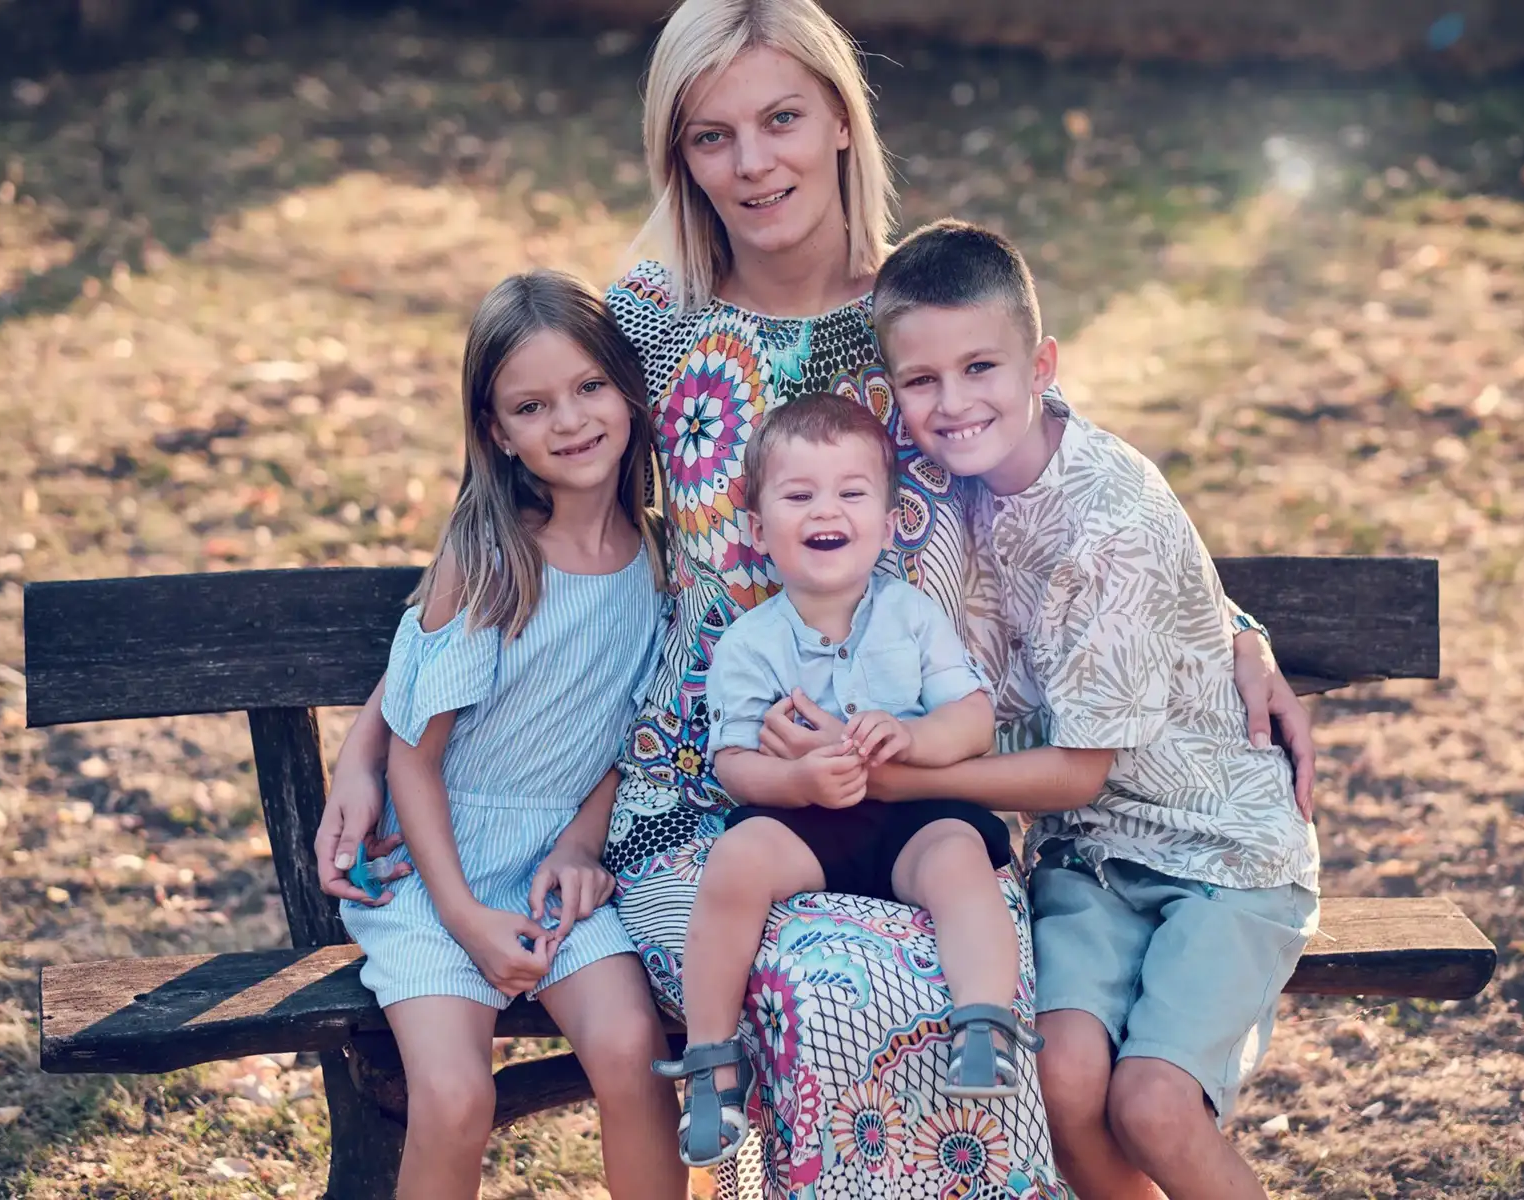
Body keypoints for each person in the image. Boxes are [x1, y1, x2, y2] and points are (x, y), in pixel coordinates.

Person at [314, 2, 1316, 1194]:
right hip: (705, 797)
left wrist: (1236, 630)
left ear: (843, 119)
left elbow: (1074, 486)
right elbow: (509, 525)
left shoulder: (923, 320)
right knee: (831, 991)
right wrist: (376, 734)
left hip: (921, 790)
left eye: (783, 118)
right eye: (710, 136)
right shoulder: (651, 320)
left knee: (976, 1008)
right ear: (676, 158)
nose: (753, 164)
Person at [866, 219, 1322, 1200]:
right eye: (921, 381)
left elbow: (1079, 767)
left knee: (1150, 1102)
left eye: (981, 367)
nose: (952, 404)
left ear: (1043, 365)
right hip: (1085, 852)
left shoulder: (1109, 516)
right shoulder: (947, 491)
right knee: (1062, 1073)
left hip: (1218, 847)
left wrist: (903, 775)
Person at [337, 271, 684, 1200]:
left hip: (556, 869)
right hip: (434, 873)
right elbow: (416, 761)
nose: (569, 421)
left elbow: (640, 734)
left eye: (589, 387)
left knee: (634, 1055)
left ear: (630, 389)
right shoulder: (489, 557)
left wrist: (581, 842)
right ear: (496, 430)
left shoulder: (661, 559)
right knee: (454, 1099)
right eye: (532, 405)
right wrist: (462, 915)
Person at [659, 393, 1032, 1167]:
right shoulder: (749, 644)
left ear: (891, 520)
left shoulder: (913, 616)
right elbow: (734, 765)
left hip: (913, 818)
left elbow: (972, 719)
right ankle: (711, 1064)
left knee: (961, 862)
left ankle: (985, 1023)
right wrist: (797, 780)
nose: (826, 510)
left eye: (851, 493)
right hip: (809, 827)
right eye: (799, 496)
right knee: (734, 864)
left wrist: (914, 735)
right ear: (759, 529)